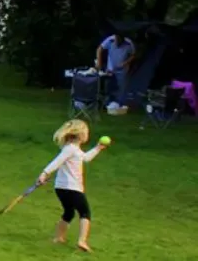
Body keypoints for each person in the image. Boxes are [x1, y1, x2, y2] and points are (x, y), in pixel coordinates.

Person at [37, 119, 109, 252]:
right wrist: (44, 173)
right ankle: (82, 241)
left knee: (69, 212)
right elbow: (57, 162)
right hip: (72, 188)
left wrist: (98, 148)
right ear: (81, 135)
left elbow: (85, 158)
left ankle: (59, 237)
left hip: (61, 188)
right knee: (85, 213)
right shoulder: (70, 149)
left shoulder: (73, 149)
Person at [96, 31, 135, 106]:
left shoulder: (129, 43)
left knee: (121, 88)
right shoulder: (110, 40)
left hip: (122, 69)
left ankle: (119, 104)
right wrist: (99, 62)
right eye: (116, 40)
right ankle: (107, 104)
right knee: (108, 86)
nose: (117, 42)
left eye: (119, 40)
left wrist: (126, 62)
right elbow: (99, 49)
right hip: (110, 69)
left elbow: (133, 55)